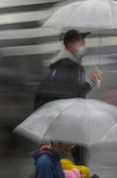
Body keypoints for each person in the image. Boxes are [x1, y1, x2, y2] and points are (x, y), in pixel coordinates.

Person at [34, 30, 102, 166]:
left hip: (60, 111)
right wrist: (91, 82)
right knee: (74, 151)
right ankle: (78, 175)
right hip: (59, 113)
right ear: (70, 45)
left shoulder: (69, 63)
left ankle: (76, 174)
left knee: (71, 151)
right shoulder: (66, 65)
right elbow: (75, 93)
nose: (84, 45)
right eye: (81, 42)